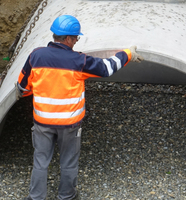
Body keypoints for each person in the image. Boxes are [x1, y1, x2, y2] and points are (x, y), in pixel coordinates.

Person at [17, 15, 144, 200]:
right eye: (76, 37)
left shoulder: (36, 56)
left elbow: (23, 87)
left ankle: (36, 197)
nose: (77, 40)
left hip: (42, 122)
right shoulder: (79, 61)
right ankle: (66, 196)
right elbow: (107, 68)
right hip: (69, 124)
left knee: (40, 161)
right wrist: (128, 54)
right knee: (68, 162)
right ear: (67, 38)